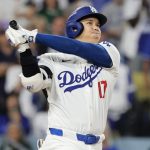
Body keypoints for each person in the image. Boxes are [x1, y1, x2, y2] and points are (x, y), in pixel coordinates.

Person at [5, 5, 120, 150]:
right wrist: (24, 48)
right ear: (74, 28)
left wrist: (33, 36)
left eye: (97, 25)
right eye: (90, 23)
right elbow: (32, 82)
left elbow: (78, 48)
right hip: (62, 142)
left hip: (96, 145)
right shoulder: (53, 60)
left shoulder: (110, 52)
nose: (96, 28)